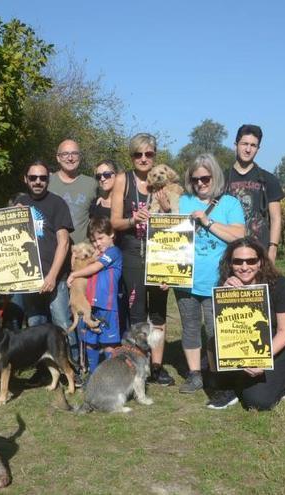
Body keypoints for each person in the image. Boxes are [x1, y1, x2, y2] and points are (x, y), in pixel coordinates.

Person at [175, 154, 246, 394]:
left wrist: (207, 221)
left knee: (216, 330)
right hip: (184, 278)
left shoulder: (229, 204)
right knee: (190, 327)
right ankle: (195, 374)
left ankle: (217, 374)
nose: (200, 184)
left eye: (205, 178)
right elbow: (167, 235)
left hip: (218, 279)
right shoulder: (182, 201)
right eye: (195, 179)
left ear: (214, 177)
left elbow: (238, 235)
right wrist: (161, 271)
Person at [109, 133, 175, 385]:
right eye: (138, 154)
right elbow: (115, 221)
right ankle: (138, 366)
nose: (144, 159)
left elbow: (176, 222)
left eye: (149, 154)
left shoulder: (164, 180)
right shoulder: (122, 180)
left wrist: (167, 210)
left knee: (158, 312)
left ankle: (157, 367)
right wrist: (132, 220)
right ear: (132, 156)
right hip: (132, 250)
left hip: (160, 251)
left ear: (155, 156)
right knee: (137, 313)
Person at [206, 238, 285, 410]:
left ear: (260, 262)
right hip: (243, 339)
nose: (244, 267)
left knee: (257, 402)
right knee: (212, 341)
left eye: (251, 261)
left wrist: (262, 359)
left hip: (276, 343)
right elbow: (221, 325)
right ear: (230, 263)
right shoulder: (226, 284)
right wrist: (225, 295)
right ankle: (227, 386)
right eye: (237, 261)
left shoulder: (281, 286)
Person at [13, 160, 74, 334]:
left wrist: (52, 276)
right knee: (35, 326)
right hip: (30, 277)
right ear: (26, 179)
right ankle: (42, 362)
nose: (37, 181)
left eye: (42, 178)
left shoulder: (58, 203)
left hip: (55, 277)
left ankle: (72, 361)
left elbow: (64, 242)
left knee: (62, 324)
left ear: (48, 180)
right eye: (33, 177)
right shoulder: (20, 202)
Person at [67, 217, 123, 374]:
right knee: (90, 341)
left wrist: (73, 275)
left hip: (107, 305)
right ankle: (92, 375)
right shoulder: (95, 254)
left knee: (109, 343)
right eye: (94, 240)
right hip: (89, 304)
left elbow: (95, 268)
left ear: (111, 234)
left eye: (101, 238)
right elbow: (81, 261)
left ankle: (111, 377)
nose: (98, 243)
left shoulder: (114, 252)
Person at [225, 124, 284, 260]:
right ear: (236, 145)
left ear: (258, 149)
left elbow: (276, 218)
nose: (248, 149)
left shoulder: (268, 179)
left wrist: (273, 248)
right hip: (229, 252)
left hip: (259, 251)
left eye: (253, 145)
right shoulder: (221, 179)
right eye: (244, 144)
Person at [49, 139, 96, 244]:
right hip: (53, 251)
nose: (70, 158)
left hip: (83, 253)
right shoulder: (47, 183)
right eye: (65, 154)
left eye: (74, 153)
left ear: (80, 156)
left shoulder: (91, 184)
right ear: (58, 158)